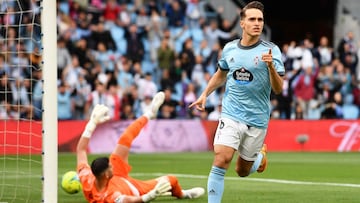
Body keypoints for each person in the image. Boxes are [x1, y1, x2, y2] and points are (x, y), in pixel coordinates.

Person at [189, 1, 285, 203]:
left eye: (260, 19)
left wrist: (270, 68)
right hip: (231, 113)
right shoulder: (230, 49)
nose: (257, 23)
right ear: (242, 23)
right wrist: (205, 93)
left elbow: (278, 88)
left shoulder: (272, 51)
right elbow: (221, 74)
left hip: (257, 118)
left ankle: (258, 158)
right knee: (221, 159)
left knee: (242, 171)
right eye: (252, 19)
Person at [76, 91, 205, 202]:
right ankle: (183, 194)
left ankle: (149, 113)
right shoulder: (107, 196)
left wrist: (91, 124)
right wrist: (149, 196)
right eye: (110, 167)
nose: (111, 165)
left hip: (118, 176)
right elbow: (128, 200)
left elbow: (81, 150)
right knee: (171, 180)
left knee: (125, 138)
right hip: (134, 188)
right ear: (105, 175)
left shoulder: (87, 179)